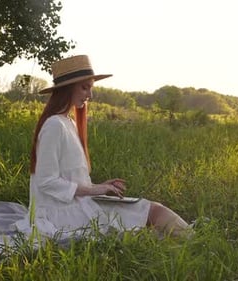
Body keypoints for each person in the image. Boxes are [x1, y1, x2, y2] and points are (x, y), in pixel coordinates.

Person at [23, 54, 191, 238]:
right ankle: (198, 243)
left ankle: (197, 241)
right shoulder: (54, 125)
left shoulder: (67, 122)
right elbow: (46, 181)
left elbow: (70, 179)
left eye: (91, 88)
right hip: (59, 214)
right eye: (84, 88)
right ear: (67, 89)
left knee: (152, 210)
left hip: (77, 204)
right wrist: (95, 190)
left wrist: (99, 186)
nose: (90, 95)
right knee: (147, 219)